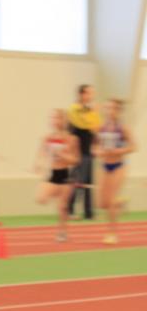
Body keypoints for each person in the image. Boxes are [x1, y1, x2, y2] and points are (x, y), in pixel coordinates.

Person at [94, 99, 136, 244]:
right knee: (102, 204)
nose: (109, 111)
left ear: (118, 111)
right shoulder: (101, 128)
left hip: (119, 166)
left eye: (113, 108)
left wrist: (118, 151)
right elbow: (94, 147)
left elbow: (134, 146)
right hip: (104, 165)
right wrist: (98, 152)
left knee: (111, 200)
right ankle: (121, 203)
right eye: (107, 108)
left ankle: (112, 233)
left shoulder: (123, 128)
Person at [35, 109, 80, 243]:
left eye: (58, 118)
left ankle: (62, 232)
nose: (55, 121)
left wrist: (64, 156)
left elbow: (76, 160)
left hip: (66, 174)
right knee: (41, 199)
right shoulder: (47, 138)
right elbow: (41, 153)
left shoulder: (72, 139)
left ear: (64, 121)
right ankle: (57, 194)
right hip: (53, 174)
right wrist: (38, 164)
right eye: (53, 118)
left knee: (62, 207)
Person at [67, 84, 101, 220]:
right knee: (78, 181)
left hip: (88, 151)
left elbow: (95, 129)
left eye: (92, 93)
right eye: (89, 93)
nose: (91, 96)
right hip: (79, 153)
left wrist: (96, 145)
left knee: (88, 182)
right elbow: (75, 129)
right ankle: (70, 210)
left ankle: (88, 212)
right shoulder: (75, 109)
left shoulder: (90, 111)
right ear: (81, 94)